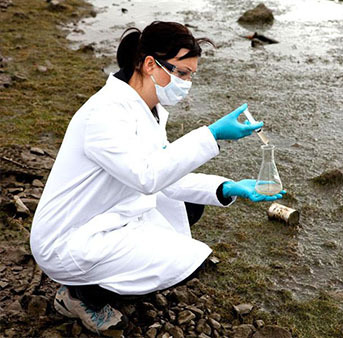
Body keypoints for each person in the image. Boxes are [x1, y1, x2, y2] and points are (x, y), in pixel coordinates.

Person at [30, 21, 285, 334]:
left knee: (190, 206)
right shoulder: (105, 114)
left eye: (191, 74)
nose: (187, 83)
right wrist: (212, 134)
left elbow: (167, 173)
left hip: (106, 216)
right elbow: (148, 177)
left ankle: (99, 284)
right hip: (67, 238)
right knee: (180, 263)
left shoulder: (147, 109)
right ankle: (80, 297)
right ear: (150, 64)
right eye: (181, 73)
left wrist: (227, 188)